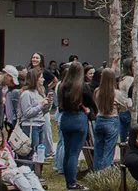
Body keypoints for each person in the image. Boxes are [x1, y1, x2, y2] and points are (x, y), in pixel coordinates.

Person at [58, 62, 93, 190]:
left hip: (65, 118)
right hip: (78, 118)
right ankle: (72, 183)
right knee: (74, 153)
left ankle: (68, 182)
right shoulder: (82, 86)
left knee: (67, 152)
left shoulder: (62, 86)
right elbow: (90, 101)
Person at [94, 68, 131, 171]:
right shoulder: (116, 93)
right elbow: (124, 107)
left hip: (99, 119)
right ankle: (105, 172)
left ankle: (97, 173)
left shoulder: (97, 91)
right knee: (109, 150)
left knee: (98, 149)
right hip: (111, 120)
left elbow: (95, 104)